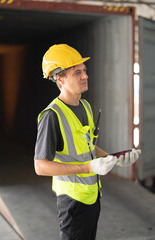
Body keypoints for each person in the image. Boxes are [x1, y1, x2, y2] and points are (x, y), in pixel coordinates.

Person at [34, 44, 140, 240]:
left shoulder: (85, 106)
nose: (85, 76)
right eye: (77, 73)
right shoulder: (52, 116)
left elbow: (88, 147)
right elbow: (41, 166)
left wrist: (114, 158)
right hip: (73, 202)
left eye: (84, 70)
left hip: (92, 196)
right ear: (60, 78)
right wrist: (88, 167)